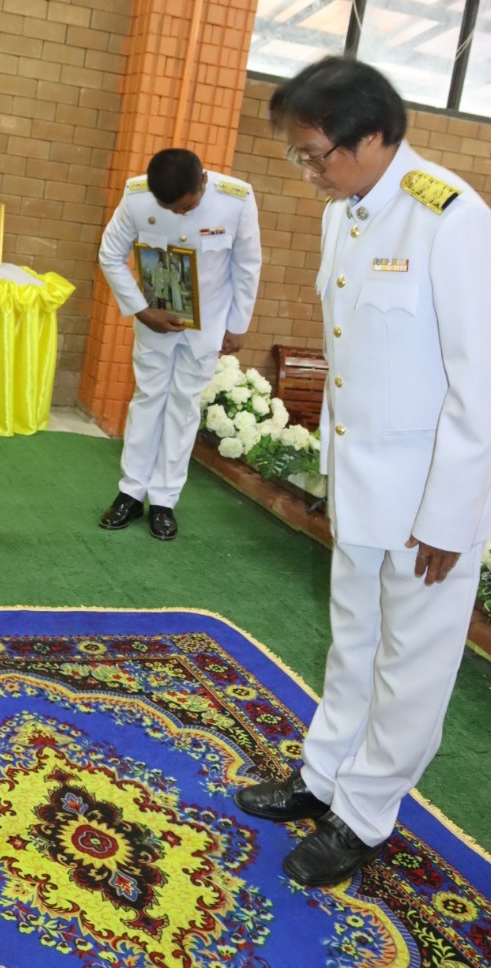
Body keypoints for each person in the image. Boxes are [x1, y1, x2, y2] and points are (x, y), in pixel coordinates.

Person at [235, 56, 491, 888]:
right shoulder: (344, 213)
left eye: (316, 155)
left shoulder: (447, 218)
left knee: (410, 667)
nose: (307, 172)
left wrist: (449, 518)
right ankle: (321, 776)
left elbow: (477, 384)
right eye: (300, 157)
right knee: (354, 645)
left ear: (373, 137)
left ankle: (365, 814)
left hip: (427, 505)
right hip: (362, 489)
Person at [98, 148, 261, 541]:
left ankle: (165, 500)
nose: (182, 216)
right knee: (148, 398)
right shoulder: (137, 196)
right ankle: (130, 493)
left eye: (188, 207)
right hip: (156, 320)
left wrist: (237, 324)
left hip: (207, 326)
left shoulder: (236, 198)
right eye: (170, 209)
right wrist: (140, 309)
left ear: (203, 181)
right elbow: (111, 253)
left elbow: (247, 263)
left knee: (184, 406)